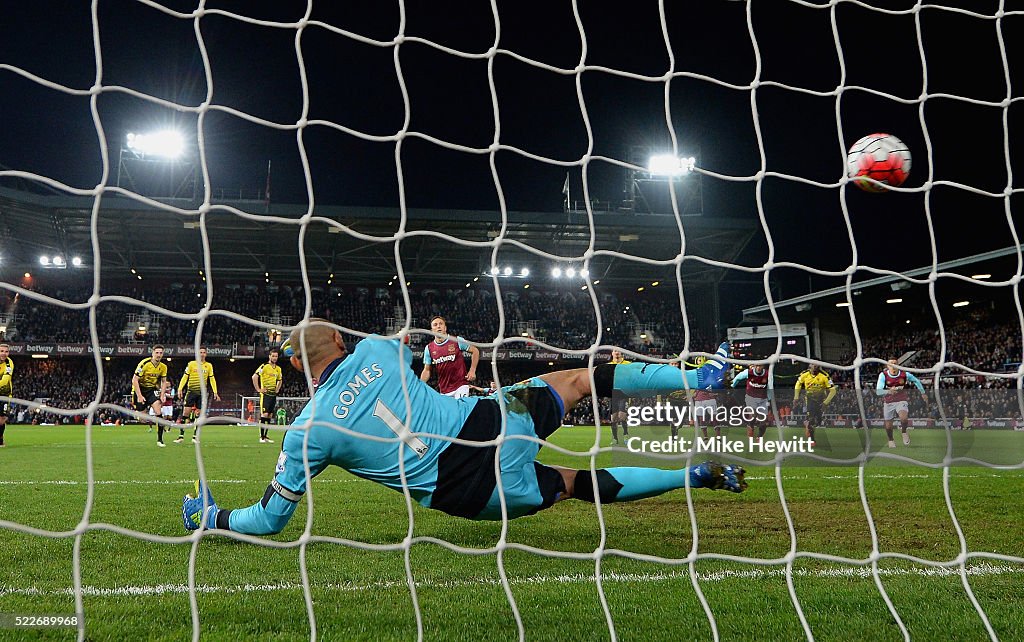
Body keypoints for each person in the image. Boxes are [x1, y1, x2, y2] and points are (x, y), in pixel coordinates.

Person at [182, 320, 745, 534]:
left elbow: (271, 519)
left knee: (573, 483)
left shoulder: (305, 432)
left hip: (473, 494)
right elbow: (410, 360)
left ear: (297, 367)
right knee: (579, 379)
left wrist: (214, 517)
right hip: (491, 421)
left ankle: (695, 476)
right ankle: (701, 374)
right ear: (337, 341)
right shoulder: (379, 349)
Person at [419, 315, 480, 398]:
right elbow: (427, 370)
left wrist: (472, 370)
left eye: (441, 324)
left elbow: (475, 351)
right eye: (435, 325)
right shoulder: (429, 348)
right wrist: (420, 384)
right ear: (432, 330)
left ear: (445, 328)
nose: (438, 326)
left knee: (460, 409)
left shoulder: (456, 340)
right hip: (444, 390)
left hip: (461, 385)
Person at [876, 358, 928, 448]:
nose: (893, 366)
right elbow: (878, 391)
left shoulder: (905, 374)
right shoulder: (883, 375)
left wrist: (923, 392)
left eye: (895, 363)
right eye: (891, 364)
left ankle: (904, 431)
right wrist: (888, 391)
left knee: (904, 418)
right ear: (887, 366)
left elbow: (916, 380)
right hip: (888, 402)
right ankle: (891, 440)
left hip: (901, 400)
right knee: (888, 426)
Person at [176, 346, 221, 444]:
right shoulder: (191, 364)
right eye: (200, 352)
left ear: (206, 354)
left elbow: (212, 379)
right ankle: (181, 436)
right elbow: (185, 376)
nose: (202, 354)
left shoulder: (209, 365)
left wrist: (215, 392)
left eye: (204, 352)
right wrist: (180, 388)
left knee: (198, 415)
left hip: (202, 393)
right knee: (185, 414)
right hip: (191, 391)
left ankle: (195, 436)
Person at [132, 345, 169, 447]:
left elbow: (164, 381)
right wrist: (139, 396)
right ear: (152, 353)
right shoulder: (144, 364)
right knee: (143, 419)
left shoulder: (163, 367)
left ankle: (160, 440)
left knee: (158, 412)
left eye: (161, 353)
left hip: (151, 390)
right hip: (140, 389)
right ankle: (138, 413)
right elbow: (135, 380)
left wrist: (162, 395)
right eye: (157, 353)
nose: (158, 355)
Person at [792, 363, 836, 445]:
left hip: (821, 400)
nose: (815, 365)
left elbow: (833, 390)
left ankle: (807, 423)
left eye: (817, 364)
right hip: (810, 400)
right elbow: (798, 384)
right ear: (809, 365)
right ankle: (812, 440)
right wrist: (796, 397)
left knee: (818, 421)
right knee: (811, 419)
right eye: (813, 364)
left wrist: (826, 402)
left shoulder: (824, 375)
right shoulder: (804, 374)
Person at [731, 363, 774, 441]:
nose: (758, 367)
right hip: (750, 398)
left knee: (763, 422)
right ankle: (750, 428)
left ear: (763, 366)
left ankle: (759, 437)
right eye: (757, 365)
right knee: (753, 416)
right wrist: (732, 386)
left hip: (763, 400)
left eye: (760, 365)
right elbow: (737, 378)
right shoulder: (748, 372)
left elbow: (770, 387)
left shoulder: (768, 374)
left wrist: (769, 400)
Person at [252, 348, 284, 443]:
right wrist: (258, 389)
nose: (274, 358)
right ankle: (261, 437)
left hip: (273, 395)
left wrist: (277, 388)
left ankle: (265, 436)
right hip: (265, 394)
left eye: (276, 356)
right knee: (264, 414)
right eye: (273, 356)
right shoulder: (264, 366)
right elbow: (254, 377)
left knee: (269, 415)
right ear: (269, 356)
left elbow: (280, 379)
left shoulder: (278, 369)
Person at [607, 349, 631, 445]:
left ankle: (626, 435)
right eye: (615, 351)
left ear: (621, 353)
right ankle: (615, 438)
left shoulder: (628, 364)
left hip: (624, 393)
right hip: (613, 394)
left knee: (622, 416)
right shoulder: (608, 366)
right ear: (612, 353)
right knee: (614, 418)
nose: (617, 352)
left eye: (618, 351)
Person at [0, 343, 13, 447]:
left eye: (6, 351)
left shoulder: (9, 363)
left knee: (2, 419)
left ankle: (0, 439)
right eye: (1, 351)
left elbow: (5, 380)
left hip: (5, 395)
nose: (4, 354)